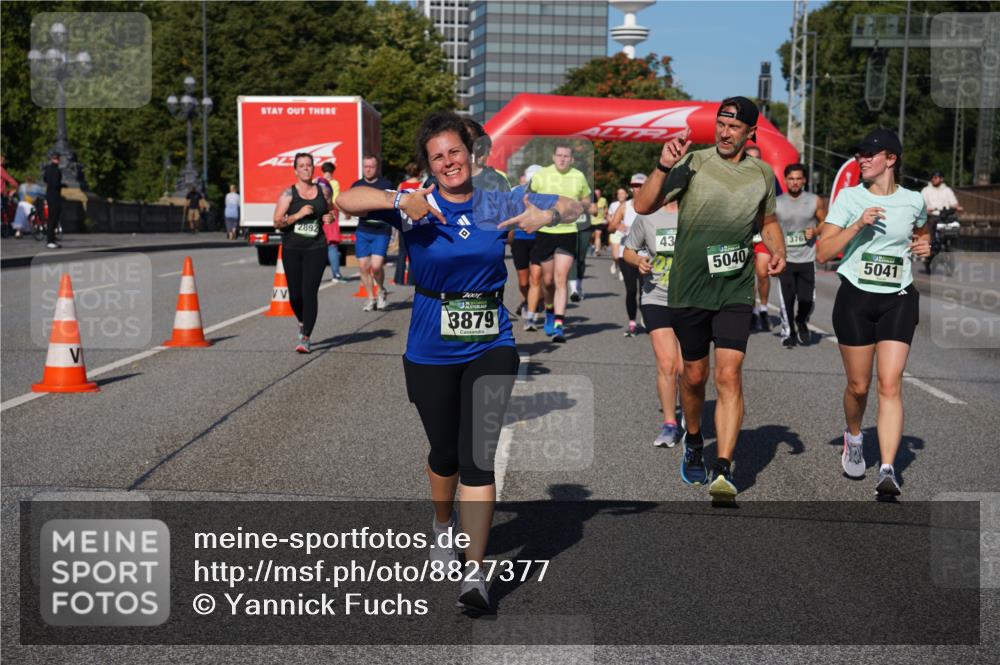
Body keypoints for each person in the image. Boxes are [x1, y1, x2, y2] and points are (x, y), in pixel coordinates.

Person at [336, 111, 584, 612]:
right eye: (437, 156)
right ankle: (442, 524)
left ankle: (474, 574)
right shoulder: (414, 204)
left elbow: (575, 203)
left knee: (477, 455)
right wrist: (394, 198)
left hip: (491, 342)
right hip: (429, 346)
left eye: (455, 152)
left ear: (470, 154)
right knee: (444, 453)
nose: (449, 162)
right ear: (427, 164)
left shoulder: (499, 200)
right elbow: (344, 198)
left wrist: (547, 216)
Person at [633, 96, 784, 506]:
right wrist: (664, 164)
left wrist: (778, 249)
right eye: (720, 124)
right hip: (689, 286)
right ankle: (695, 440)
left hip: (734, 286)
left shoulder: (762, 174)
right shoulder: (694, 163)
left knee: (730, 373)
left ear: (751, 132)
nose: (724, 132)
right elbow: (643, 205)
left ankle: (723, 467)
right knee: (695, 377)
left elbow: (767, 221)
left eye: (733, 127)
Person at [817, 129, 931, 500]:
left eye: (869, 153)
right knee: (859, 386)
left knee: (890, 384)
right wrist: (857, 224)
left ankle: (886, 468)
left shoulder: (914, 200)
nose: (861, 159)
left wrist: (925, 245)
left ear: (891, 159)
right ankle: (853, 437)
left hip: (898, 298)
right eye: (859, 154)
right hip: (855, 299)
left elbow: (922, 231)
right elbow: (823, 253)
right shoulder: (850, 198)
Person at [622, 199, 684, 447]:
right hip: (656, 296)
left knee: (686, 368)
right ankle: (669, 424)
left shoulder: (696, 214)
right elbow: (629, 250)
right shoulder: (648, 216)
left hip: (691, 298)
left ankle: (691, 417)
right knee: (667, 363)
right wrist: (638, 261)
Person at [528, 142, 592, 343]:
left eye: (567, 156)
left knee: (561, 278)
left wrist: (581, 206)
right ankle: (548, 309)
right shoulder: (542, 175)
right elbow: (528, 196)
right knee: (547, 281)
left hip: (568, 231)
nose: (563, 159)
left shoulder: (578, 176)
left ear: (571, 159)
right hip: (546, 231)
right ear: (553, 157)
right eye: (560, 155)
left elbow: (587, 199)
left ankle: (558, 324)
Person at [272, 152, 334, 354]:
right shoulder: (288, 194)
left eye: (309, 165)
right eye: (302, 166)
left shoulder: (323, 191)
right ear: (295, 170)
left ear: (313, 168)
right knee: (295, 295)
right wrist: (298, 215)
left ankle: (306, 337)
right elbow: (277, 222)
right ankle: (301, 320)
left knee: (309, 293)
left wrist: (329, 217)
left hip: (316, 248)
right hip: (292, 249)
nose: (306, 168)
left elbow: (332, 210)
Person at [775, 163, 826, 347]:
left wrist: (816, 231)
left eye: (798, 179)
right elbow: (769, 228)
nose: (795, 182)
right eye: (791, 179)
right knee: (787, 299)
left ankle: (801, 321)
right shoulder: (777, 202)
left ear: (804, 180)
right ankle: (788, 332)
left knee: (806, 300)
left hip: (807, 258)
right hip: (786, 259)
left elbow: (825, 221)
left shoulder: (814, 200)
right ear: (786, 180)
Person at [350, 154, 394, 311]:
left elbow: (393, 205)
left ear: (377, 168)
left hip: (381, 230)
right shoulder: (357, 185)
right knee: (363, 266)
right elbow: (350, 204)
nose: (368, 169)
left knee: (376, 266)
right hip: (363, 230)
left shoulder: (386, 184)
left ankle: (381, 290)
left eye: (371, 166)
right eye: (365, 166)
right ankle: (371, 298)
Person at [608, 175, 647, 336]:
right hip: (627, 254)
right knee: (631, 290)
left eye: (640, 185)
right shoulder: (625, 206)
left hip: (647, 255)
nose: (637, 188)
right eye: (634, 185)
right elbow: (610, 227)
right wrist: (618, 225)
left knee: (646, 291)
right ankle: (632, 322)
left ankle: (647, 318)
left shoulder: (655, 205)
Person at [510, 164, 543, 328]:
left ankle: (530, 315)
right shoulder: (516, 192)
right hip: (520, 239)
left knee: (536, 278)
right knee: (524, 282)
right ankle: (526, 300)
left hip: (540, 239)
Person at [744, 144, 772, 332]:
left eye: (758, 157)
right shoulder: (735, 178)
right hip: (742, 234)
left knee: (762, 272)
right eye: (750, 157)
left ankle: (763, 308)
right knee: (746, 277)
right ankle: (752, 311)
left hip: (761, 233)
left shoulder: (767, 179)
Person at [920, 170, 963, 274]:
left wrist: (958, 207)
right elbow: (921, 203)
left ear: (941, 178)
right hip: (932, 217)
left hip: (944, 218)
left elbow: (953, 203)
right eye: (932, 177)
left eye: (936, 177)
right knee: (932, 240)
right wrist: (927, 209)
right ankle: (927, 258)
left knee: (951, 234)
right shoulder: (926, 190)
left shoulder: (947, 190)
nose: (934, 179)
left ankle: (949, 254)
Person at [395, 163, 424, 286]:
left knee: (402, 251)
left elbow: (395, 203)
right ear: (419, 173)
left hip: (403, 220)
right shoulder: (421, 185)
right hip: (416, 221)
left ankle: (399, 278)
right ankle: (412, 279)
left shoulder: (401, 185)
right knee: (414, 250)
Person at [317, 162, 345, 283]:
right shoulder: (334, 183)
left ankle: (314, 274)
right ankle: (336, 274)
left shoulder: (316, 181)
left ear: (322, 170)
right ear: (333, 171)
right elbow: (335, 199)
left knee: (317, 245)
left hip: (318, 213)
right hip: (331, 213)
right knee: (332, 245)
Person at [42, 152, 63, 249]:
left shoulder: (47, 169)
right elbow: (56, 184)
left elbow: (45, 179)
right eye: (57, 159)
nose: (57, 160)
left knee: (52, 218)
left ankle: (52, 240)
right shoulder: (56, 170)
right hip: (54, 196)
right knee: (53, 218)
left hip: (49, 195)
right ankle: (50, 241)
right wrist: (63, 185)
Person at [606, 187, 628, 277]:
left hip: (626, 233)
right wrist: (614, 224)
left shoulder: (630, 205)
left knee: (623, 254)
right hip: (615, 232)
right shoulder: (613, 205)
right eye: (619, 193)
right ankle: (615, 263)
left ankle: (622, 271)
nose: (620, 195)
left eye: (622, 193)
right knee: (616, 256)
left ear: (626, 195)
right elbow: (609, 216)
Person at [590, 187, 608, 256]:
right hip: (591, 221)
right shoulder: (591, 200)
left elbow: (606, 208)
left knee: (598, 234)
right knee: (592, 236)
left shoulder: (603, 200)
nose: (597, 195)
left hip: (600, 221)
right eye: (596, 193)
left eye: (598, 193)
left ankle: (597, 250)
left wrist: (606, 216)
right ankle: (592, 245)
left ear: (600, 194)